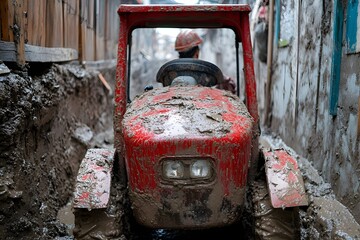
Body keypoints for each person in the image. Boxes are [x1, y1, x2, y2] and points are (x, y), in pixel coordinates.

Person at [174, 30, 237, 94]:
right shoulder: (207, 73)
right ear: (197, 53)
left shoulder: (170, 73)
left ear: (179, 54)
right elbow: (230, 86)